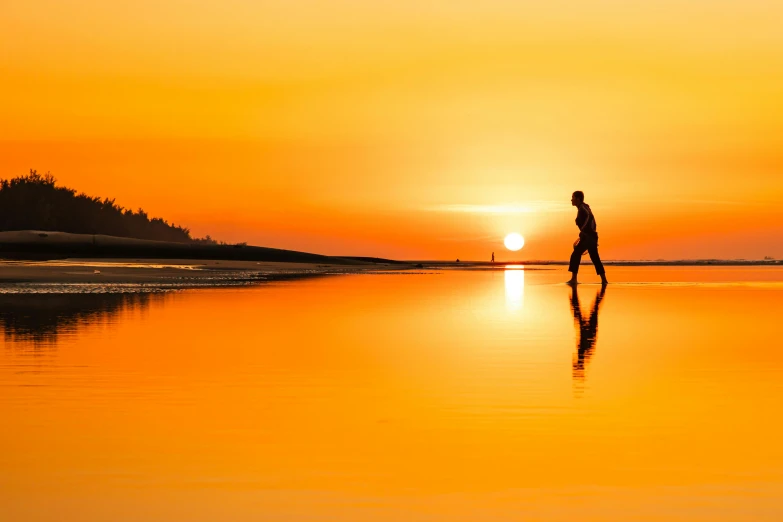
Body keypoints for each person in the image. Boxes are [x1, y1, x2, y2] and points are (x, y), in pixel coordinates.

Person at [567, 191, 608, 285]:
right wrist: (587, 233)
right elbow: (592, 223)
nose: (571, 199)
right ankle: (604, 280)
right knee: (595, 258)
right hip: (590, 237)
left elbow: (590, 217)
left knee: (576, 254)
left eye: (573, 197)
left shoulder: (583, 207)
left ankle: (574, 279)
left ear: (578, 199)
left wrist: (584, 231)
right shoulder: (582, 208)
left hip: (589, 237)